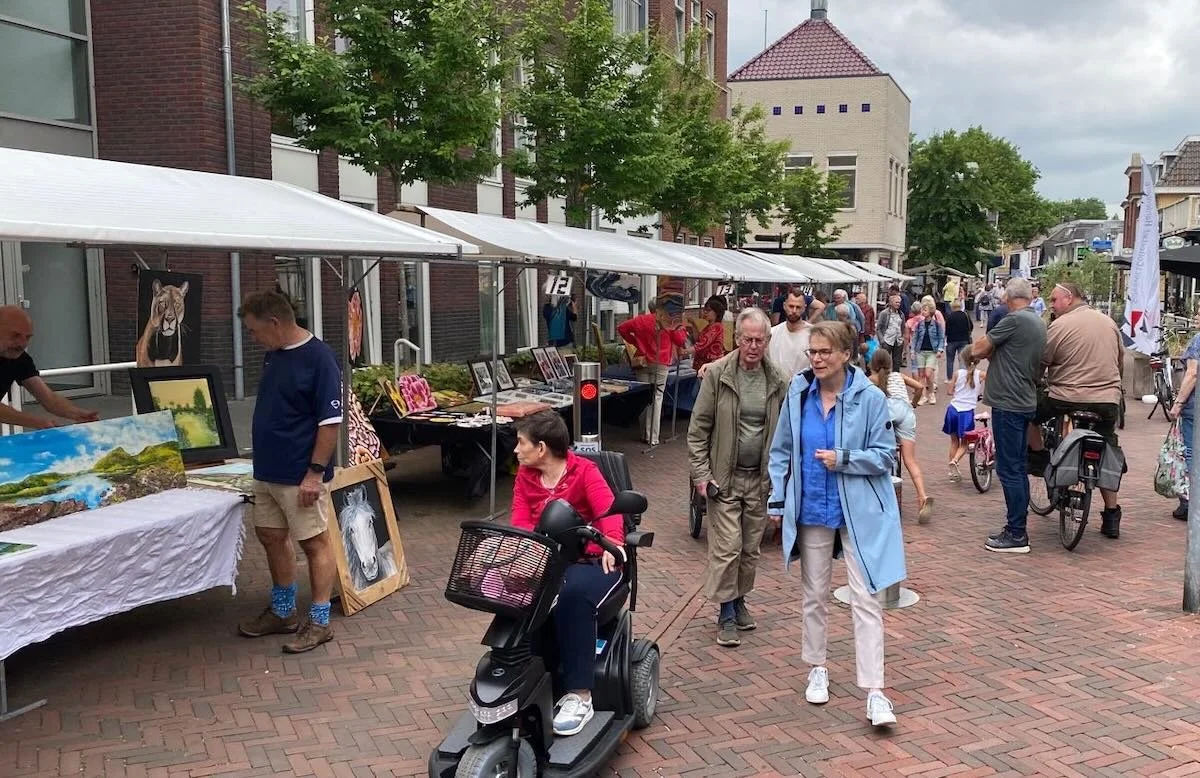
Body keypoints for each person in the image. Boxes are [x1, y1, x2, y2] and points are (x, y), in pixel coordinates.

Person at [767, 321, 905, 728]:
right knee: (814, 594)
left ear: (846, 354)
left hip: (859, 512)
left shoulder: (871, 399)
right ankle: (817, 666)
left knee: (866, 599)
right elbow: (781, 450)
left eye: (826, 351)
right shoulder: (798, 393)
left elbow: (885, 457)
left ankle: (876, 692)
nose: (818, 358)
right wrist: (778, 497)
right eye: (813, 351)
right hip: (811, 507)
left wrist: (845, 458)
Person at [236, 291, 341, 653]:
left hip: (298, 473)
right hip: (267, 470)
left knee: (314, 542)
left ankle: (320, 621)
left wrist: (314, 473)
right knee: (269, 534)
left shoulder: (320, 359)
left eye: (254, 330)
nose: (253, 339)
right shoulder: (274, 356)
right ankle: (283, 613)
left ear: (275, 323)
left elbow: (329, 424)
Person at [508, 413, 623, 736]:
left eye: (522, 443)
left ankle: (580, 696)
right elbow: (520, 522)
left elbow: (609, 513)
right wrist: (523, 559)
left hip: (588, 561)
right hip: (548, 561)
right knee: (512, 591)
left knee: (572, 596)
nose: (516, 450)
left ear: (541, 448)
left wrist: (610, 546)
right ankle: (526, 675)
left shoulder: (585, 472)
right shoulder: (525, 476)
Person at [688, 307, 787, 648]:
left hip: (759, 480)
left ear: (767, 341)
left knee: (749, 550)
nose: (753, 346)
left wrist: (781, 479)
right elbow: (698, 429)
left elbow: (785, 433)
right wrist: (701, 474)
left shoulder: (778, 380)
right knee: (727, 548)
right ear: (737, 338)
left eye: (760, 340)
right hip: (724, 479)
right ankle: (726, 613)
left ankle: (740, 599)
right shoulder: (718, 374)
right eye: (747, 339)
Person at [1030, 282, 1125, 538]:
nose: (1051, 305)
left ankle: (1039, 461)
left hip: (1066, 397)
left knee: (1030, 414)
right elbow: (1119, 361)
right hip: (1106, 400)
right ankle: (1112, 515)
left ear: (1069, 298)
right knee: (1107, 446)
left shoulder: (1059, 326)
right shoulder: (1109, 323)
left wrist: (1036, 380)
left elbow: (1042, 361)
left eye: (1054, 300)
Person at [971, 278, 1047, 553]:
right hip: (1025, 398)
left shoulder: (1014, 321)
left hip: (1009, 402)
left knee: (1009, 469)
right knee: (1018, 467)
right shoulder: (1038, 321)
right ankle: (1017, 528)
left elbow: (979, 348)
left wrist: (982, 350)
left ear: (1007, 296)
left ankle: (1016, 533)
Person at [0, 306, 100, 430]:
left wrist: (77, 414)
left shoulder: (19, 359)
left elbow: (48, 398)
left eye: (28, 337)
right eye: (15, 335)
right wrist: (37, 422)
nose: (23, 344)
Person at [868, 349, 933, 523]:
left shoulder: (871, 380)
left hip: (887, 413)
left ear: (871, 364)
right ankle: (922, 496)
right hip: (906, 412)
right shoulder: (898, 376)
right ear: (890, 363)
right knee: (910, 460)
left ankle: (882, 493)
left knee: (878, 448)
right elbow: (919, 387)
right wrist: (914, 403)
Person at [618, 294, 688, 446]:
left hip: (642, 361)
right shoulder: (668, 322)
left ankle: (644, 433)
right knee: (657, 398)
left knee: (644, 398)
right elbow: (681, 340)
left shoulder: (640, 320)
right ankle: (653, 437)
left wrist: (635, 341)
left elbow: (621, 328)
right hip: (661, 362)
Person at [1171, 311, 1200, 520]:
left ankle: (1189, 501)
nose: (1196, 316)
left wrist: (1178, 403)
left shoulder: (1198, 341)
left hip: (1195, 405)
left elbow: (1192, 373)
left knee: (1190, 452)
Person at [944, 350, 986, 482]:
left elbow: (949, 391)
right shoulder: (981, 374)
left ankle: (952, 472)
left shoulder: (957, 373)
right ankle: (955, 461)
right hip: (966, 412)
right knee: (966, 443)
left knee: (954, 441)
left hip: (953, 410)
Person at [767, 288, 812, 377]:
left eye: (798, 307)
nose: (794, 311)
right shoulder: (772, 333)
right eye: (791, 306)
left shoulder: (813, 335)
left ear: (804, 308)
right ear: (784, 306)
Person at [913, 303, 945, 405]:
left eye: (925, 310)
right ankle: (923, 396)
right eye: (922, 310)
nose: (923, 312)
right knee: (921, 375)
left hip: (932, 351)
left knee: (928, 373)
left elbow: (941, 337)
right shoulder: (919, 324)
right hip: (920, 351)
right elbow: (915, 338)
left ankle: (931, 393)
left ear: (930, 311)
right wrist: (912, 351)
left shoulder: (936, 324)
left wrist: (940, 349)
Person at [690, 295, 727, 371]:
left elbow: (702, 343)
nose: (705, 312)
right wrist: (693, 324)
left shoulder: (717, 327)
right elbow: (698, 339)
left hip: (710, 363)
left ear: (716, 312)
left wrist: (685, 351)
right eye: (705, 310)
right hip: (702, 362)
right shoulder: (708, 327)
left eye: (708, 310)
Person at [875, 293, 907, 372]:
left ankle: (895, 380)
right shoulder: (884, 313)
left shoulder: (901, 314)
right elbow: (878, 328)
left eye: (899, 302)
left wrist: (902, 338)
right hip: (887, 340)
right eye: (896, 302)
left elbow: (903, 327)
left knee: (897, 363)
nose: (898, 304)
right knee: (884, 363)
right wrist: (882, 341)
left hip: (898, 341)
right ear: (891, 303)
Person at [944, 300, 973, 381]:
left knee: (950, 360)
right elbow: (971, 326)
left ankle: (949, 378)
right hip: (964, 339)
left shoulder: (949, 316)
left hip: (951, 340)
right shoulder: (965, 315)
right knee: (962, 359)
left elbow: (947, 330)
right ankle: (962, 377)